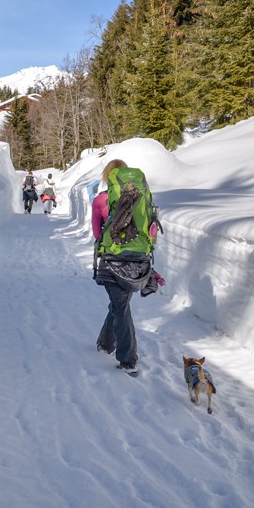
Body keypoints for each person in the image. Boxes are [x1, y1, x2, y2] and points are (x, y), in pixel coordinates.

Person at [92, 159, 158, 377]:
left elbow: (96, 233)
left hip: (113, 261)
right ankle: (104, 342)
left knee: (120, 308)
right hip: (139, 261)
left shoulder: (101, 200)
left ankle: (128, 360)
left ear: (109, 177)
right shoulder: (143, 198)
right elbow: (152, 231)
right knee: (120, 305)